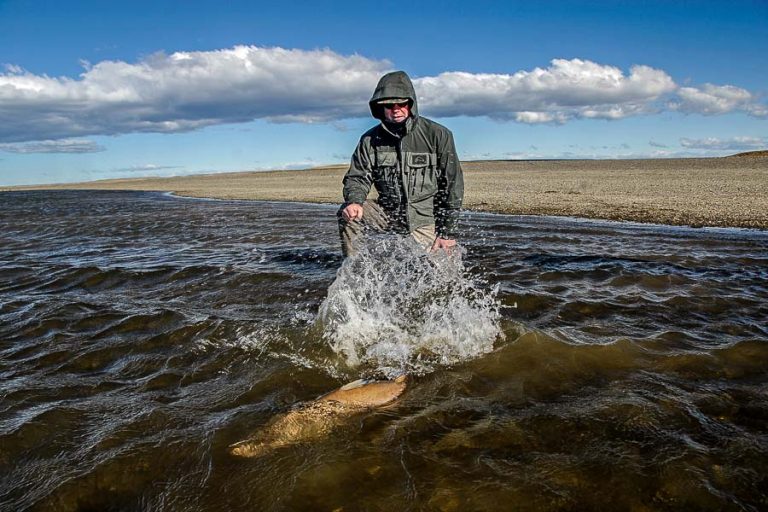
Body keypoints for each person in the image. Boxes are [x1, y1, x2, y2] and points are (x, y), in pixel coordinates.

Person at [338, 70, 464, 257]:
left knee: (446, 273)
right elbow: (358, 176)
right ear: (380, 108)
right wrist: (354, 201)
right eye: (389, 105)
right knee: (347, 214)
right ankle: (354, 269)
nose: (395, 109)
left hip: (424, 218)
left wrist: (447, 232)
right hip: (388, 214)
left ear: (411, 104)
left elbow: (452, 185)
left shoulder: (438, 134)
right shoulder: (369, 139)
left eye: (401, 103)